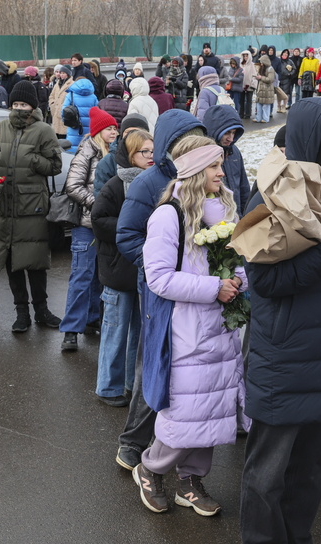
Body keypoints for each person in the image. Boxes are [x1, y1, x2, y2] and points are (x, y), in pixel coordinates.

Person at [239, 98, 321, 544]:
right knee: (267, 478)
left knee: (312, 475)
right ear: (309, 136)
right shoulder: (273, 194)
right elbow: (264, 282)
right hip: (287, 363)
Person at [132, 140, 246, 517]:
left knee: (212, 409)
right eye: (214, 166)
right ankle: (151, 467)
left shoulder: (222, 210)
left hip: (222, 331)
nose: (221, 173)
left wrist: (239, 281)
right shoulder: (169, 215)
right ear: (195, 169)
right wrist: (215, 288)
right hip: (188, 334)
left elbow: (237, 261)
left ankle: (191, 481)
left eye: (222, 165)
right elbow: (159, 278)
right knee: (186, 412)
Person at [114, 109, 207, 471]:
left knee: (184, 368)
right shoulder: (149, 183)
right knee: (154, 364)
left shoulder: (201, 178)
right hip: (159, 292)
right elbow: (127, 235)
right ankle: (132, 444)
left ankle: (173, 444)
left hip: (195, 291)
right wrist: (160, 266)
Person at [0, 80, 62, 332]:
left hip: (33, 206)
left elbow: (55, 166)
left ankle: (41, 310)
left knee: (35, 260)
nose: (19, 108)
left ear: (33, 106)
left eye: (24, 104)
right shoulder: (0, 127)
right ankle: (21, 312)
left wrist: (32, 160)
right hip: (5, 204)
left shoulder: (44, 130)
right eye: (15, 104)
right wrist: (1, 159)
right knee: (11, 261)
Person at [91, 129, 153, 406]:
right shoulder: (116, 185)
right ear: (130, 155)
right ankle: (108, 387)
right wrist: (133, 229)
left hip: (144, 270)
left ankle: (131, 384)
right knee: (115, 331)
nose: (150, 156)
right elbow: (99, 219)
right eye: (144, 152)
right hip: (117, 270)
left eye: (153, 150)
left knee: (139, 334)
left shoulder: (154, 184)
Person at [60, 107, 118, 351]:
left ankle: (92, 319)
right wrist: (99, 204)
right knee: (82, 276)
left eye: (116, 128)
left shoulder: (116, 153)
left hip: (105, 226)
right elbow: (72, 186)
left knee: (100, 277)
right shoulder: (86, 151)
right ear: (98, 132)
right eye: (109, 128)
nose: (114, 132)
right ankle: (71, 330)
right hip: (85, 225)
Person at [203, 104, 249, 213]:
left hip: (237, 216)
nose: (231, 138)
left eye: (234, 133)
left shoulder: (234, 152)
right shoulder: (204, 155)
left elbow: (244, 188)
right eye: (227, 133)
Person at [93, 113, 150, 197]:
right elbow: (101, 196)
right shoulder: (108, 162)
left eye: (137, 132)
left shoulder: (153, 158)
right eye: (128, 132)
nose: (132, 136)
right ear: (122, 134)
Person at [62, 76, 99, 154]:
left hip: (74, 128)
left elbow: (63, 112)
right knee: (87, 153)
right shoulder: (93, 97)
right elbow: (98, 114)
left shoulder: (70, 95)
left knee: (71, 152)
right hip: (89, 129)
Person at [49, 65, 74, 140]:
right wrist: (52, 105)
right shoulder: (57, 83)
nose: (61, 75)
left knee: (64, 137)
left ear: (68, 74)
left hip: (65, 113)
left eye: (63, 73)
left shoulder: (72, 84)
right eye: (61, 73)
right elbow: (51, 96)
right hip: (56, 113)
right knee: (56, 137)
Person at [253, 56, 275, 124]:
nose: (261, 64)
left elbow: (270, 79)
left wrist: (261, 77)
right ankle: (258, 118)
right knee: (259, 104)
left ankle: (265, 119)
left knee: (266, 105)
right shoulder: (262, 68)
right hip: (260, 89)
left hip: (267, 90)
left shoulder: (270, 69)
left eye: (262, 62)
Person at [239, 50, 256, 119]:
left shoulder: (252, 65)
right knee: (241, 101)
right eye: (244, 56)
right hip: (242, 86)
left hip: (249, 85)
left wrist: (251, 84)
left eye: (246, 56)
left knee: (249, 101)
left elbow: (254, 75)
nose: (245, 57)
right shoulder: (241, 64)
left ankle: (248, 114)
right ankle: (241, 113)